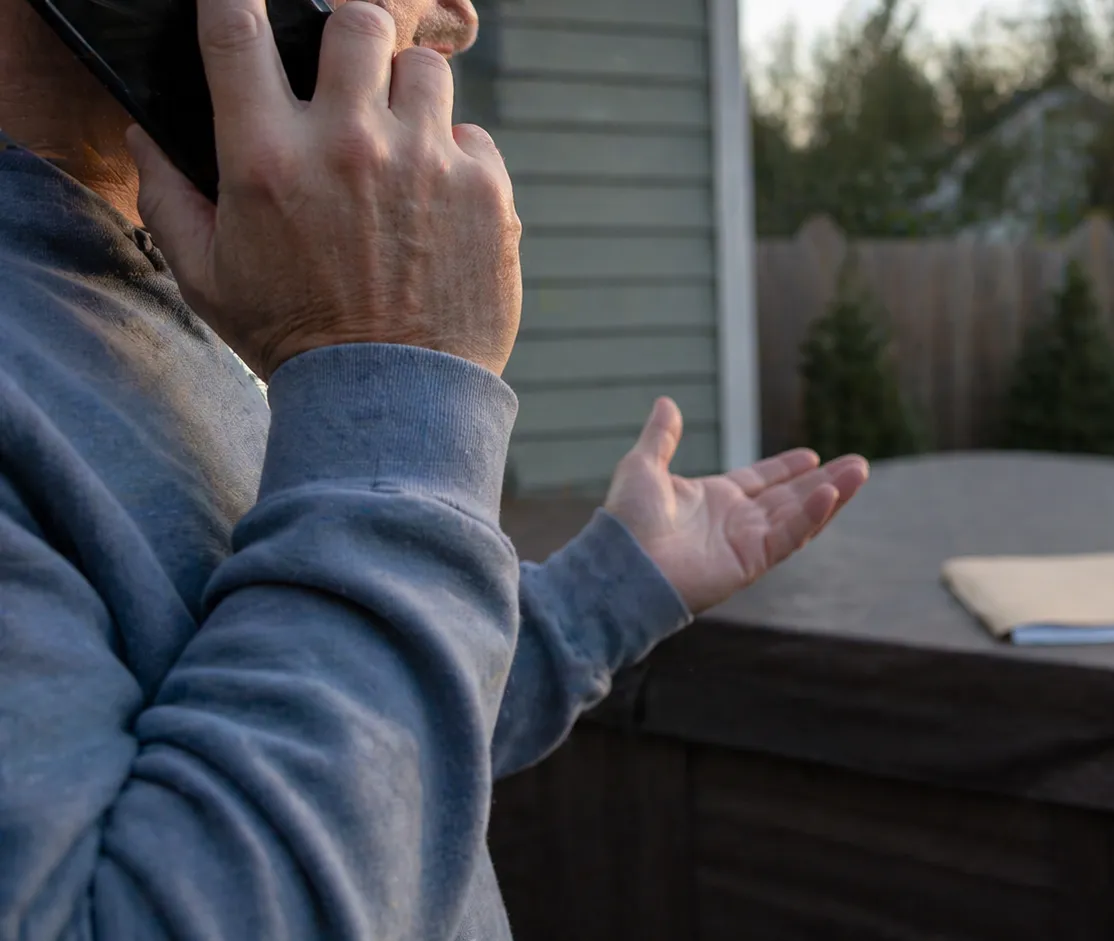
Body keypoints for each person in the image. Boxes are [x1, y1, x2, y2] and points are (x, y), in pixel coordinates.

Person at [0, 0, 871, 934]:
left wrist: (597, 598)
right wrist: (388, 366)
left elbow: (349, 760)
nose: (458, 17)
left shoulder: (131, 287)